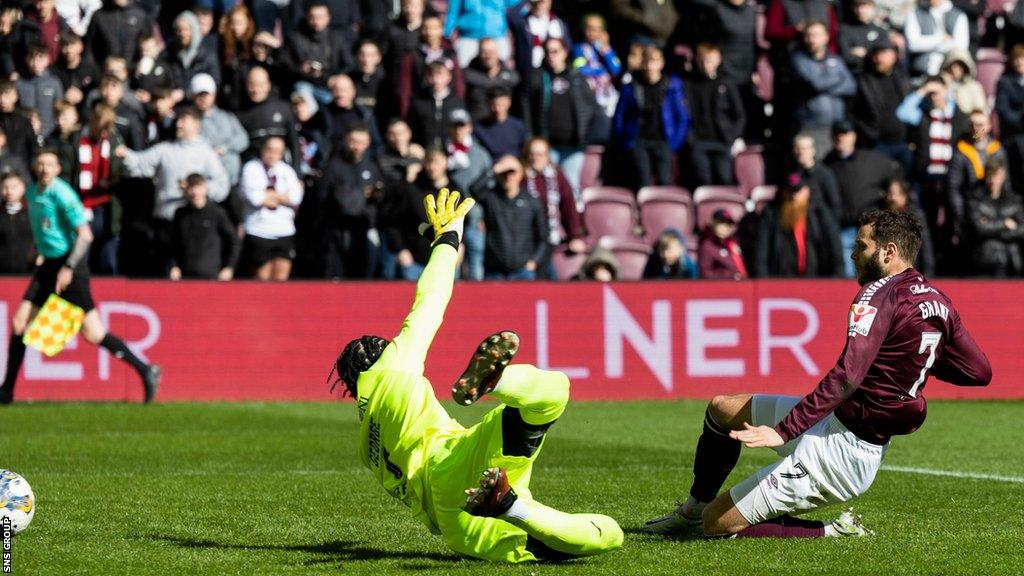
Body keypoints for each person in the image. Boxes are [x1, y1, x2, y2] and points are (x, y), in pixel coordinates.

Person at [644, 208, 991, 538]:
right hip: (833, 422)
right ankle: (689, 509)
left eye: (861, 246)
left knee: (716, 523)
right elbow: (979, 371)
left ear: (889, 252)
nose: (853, 255)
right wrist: (912, 360)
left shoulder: (876, 293)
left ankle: (835, 530)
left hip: (843, 452)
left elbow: (846, 376)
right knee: (722, 408)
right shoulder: (939, 301)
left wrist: (784, 431)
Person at [333, 188, 623, 561]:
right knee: (555, 393)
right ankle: (497, 383)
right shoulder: (392, 368)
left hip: (458, 522)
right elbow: (430, 300)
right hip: (455, 461)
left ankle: (511, 505)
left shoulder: (366, 444)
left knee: (587, 539)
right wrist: (448, 241)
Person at [0, 149, 161, 405]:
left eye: (49, 164)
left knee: (94, 333)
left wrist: (69, 268)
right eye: (40, 164)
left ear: (57, 169)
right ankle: (6, 391)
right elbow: (44, 226)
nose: (44, 169)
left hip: (70, 267)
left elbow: (85, 235)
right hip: (49, 265)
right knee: (20, 323)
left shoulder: (63, 194)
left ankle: (145, 369)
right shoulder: (33, 193)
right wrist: (37, 249)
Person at [824, 120, 903, 276]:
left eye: (845, 134)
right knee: (848, 275)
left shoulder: (872, 161)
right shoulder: (827, 165)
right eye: (837, 134)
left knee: (873, 273)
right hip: (843, 228)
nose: (841, 138)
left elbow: (895, 174)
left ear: (853, 136)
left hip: (870, 228)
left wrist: (889, 194)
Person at [523, 37, 596, 197]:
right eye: (547, 52)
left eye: (555, 51)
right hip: (548, 144)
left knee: (571, 186)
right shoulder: (537, 77)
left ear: (564, 52)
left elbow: (590, 108)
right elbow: (527, 108)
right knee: (548, 187)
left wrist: (586, 135)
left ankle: (572, 221)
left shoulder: (577, 77)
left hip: (574, 145)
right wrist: (531, 136)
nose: (551, 56)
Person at [612, 45, 689, 189]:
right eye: (647, 62)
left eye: (654, 61)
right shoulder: (631, 86)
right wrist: (626, 141)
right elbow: (619, 117)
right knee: (642, 183)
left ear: (661, 63)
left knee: (664, 182)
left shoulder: (671, 86)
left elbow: (682, 117)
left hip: (664, 141)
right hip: (638, 142)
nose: (650, 66)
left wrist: (674, 143)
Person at [753, 173, 844, 277]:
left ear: (807, 192)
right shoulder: (771, 215)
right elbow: (761, 254)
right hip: (780, 282)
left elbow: (835, 252)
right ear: (783, 192)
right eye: (790, 191)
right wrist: (764, 283)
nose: (794, 196)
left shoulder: (820, 214)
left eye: (798, 191)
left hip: (816, 281)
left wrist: (835, 280)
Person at [240, 136, 304, 281]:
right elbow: (255, 198)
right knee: (262, 276)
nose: (272, 154)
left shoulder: (286, 170)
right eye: (269, 149)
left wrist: (270, 196)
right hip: (259, 230)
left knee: (281, 276)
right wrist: (282, 197)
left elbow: (296, 197)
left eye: (277, 151)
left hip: (284, 230)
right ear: (262, 149)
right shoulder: (252, 168)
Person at [790, 20, 856, 156]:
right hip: (811, 127)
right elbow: (815, 84)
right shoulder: (799, 60)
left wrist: (826, 87)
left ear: (826, 37)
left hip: (836, 127)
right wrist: (838, 79)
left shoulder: (836, 59)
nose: (812, 39)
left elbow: (851, 87)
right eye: (809, 35)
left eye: (816, 35)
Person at [523, 137, 585, 278]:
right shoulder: (521, 176)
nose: (535, 158)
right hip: (527, 239)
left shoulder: (556, 176)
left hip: (550, 236)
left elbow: (568, 206)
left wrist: (574, 235)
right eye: (532, 154)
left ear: (547, 156)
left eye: (540, 154)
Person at [684, 43, 745, 187]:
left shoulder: (726, 83)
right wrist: (690, 138)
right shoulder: (689, 84)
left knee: (724, 178)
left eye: (710, 60)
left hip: (722, 140)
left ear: (718, 60)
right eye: (703, 60)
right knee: (703, 180)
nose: (706, 64)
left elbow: (739, 115)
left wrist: (732, 136)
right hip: (699, 141)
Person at [477, 157, 548, 280]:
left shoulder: (531, 201)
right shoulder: (491, 198)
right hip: (495, 270)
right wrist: (494, 169)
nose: (508, 176)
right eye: (504, 173)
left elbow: (543, 236)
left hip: (523, 270)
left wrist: (534, 261)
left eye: (512, 172)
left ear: (521, 174)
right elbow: (474, 189)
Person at [851, 39, 912, 170]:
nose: (879, 59)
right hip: (877, 144)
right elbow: (853, 113)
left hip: (903, 143)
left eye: (883, 54)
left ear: (894, 56)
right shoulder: (863, 81)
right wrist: (869, 135)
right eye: (876, 54)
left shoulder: (902, 80)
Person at [169, 173, 240, 280]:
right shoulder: (180, 213)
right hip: (185, 274)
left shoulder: (216, 212)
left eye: (198, 188)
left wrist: (229, 267)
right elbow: (173, 242)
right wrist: (173, 265)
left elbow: (234, 241)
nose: (195, 192)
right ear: (186, 190)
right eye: (191, 188)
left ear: (205, 189)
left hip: (211, 275)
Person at [966, 156, 1024, 277]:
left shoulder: (1014, 200)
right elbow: (978, 228)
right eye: (990, 175)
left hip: (1012, 262)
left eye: (996, 175)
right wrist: (1005, 224)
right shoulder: (976, 200)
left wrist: (991, 225)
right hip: (986, 262)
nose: (993, 180)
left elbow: (1022, 230)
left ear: (1003, 176)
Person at [288, 1, 354, 106]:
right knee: (302, 90)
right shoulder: (296, 38)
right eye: (312, 17)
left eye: (320, 17)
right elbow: (286, 65)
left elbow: (349, 64)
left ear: (328, 17)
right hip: (306, 84)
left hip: (330, 86)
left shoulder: (337, 38)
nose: (316, 21)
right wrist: (301, 69)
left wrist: (332, 78)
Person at [881, 178, 935, 276]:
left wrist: (928, 274)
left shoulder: (915, 217)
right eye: (889, 193)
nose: (892, 198)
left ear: (905, 196)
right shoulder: (881, 217)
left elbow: (926, 247)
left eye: (896, 194)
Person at [904, 0, 969, 78]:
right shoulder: (915, 13)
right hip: (920, 74)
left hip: (949, 76)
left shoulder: (959, 15)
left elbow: (961, 46)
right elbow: (913, 44)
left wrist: (926, 43)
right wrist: (941, 39)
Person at [463, 38, 520, 121]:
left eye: (492, 52)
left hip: (503, 125)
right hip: (477, 124)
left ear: (498, 52)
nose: (488, 55)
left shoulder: (511, 76)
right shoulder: (468, 75)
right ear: (478, 53)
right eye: (484, 52)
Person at [17, 43, 65, 138]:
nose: (35, 63)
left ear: (47, 60)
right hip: (24, 135)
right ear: (26, 59)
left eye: (40, 58)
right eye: (32, 58)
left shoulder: (54, 83)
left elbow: (59, 107)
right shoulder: (19, 83)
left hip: (50, 134)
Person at [474, 87, 527, 160]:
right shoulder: (479, 128)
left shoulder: (518, 126)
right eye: (494, 105)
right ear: (488, 104)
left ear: (509, 103)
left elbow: (524, 150)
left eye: (502, 105)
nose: (498, 109)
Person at [0, 172, 35, 274]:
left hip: (28, 271)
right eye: (5, 187)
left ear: (23, 188)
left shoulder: (32, 213)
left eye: (14, 187)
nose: (9, 191)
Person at [699, 209, 748, 279]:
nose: (725, 227)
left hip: (742, 284)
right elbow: (705, 274)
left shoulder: (733, 244)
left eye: (728, 224)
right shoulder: (707, 246)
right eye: (721, 223)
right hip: (721, 287)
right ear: (713, 223)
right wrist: (731, 276)